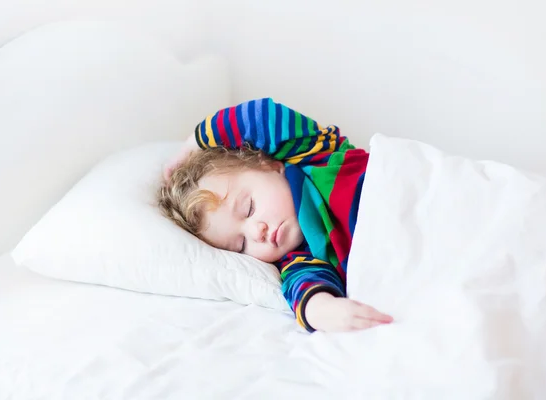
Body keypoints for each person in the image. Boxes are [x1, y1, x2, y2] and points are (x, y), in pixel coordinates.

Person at [158, 98, 393, 332]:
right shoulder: (299, 257)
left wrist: (192, 144)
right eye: (241, 245)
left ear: (269, 166)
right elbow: (303, 285)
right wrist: (321, 308)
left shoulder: (319, 155)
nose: (256, 232)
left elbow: (259, 116)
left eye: (249, 208)